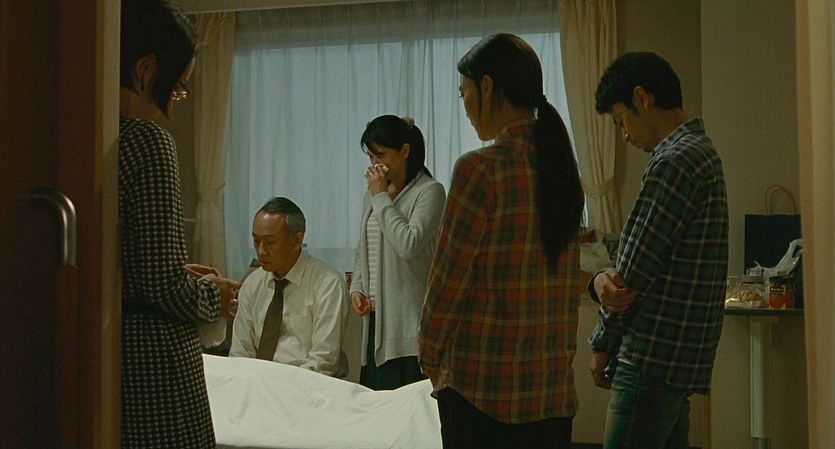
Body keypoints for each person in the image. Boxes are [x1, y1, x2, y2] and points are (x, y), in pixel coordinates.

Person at [419, 33, 585, 448]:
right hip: (551, 394)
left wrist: (429, 354)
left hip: (482, 392)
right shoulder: (563, 173)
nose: (465, 107)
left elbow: (448, 281)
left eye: (464, 93)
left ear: (488, 87)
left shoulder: (480, 169)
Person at [588, 51, 729, 449]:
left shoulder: (674, 160)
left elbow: (630, 275)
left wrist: (602, 344)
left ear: (642, 98)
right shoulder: (701, 152)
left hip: (651, 356)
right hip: (676, 360)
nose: (624, 134)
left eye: (621, 120)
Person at [119, 0, 239, 447]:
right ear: (146, 70)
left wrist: (173, 272)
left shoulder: (93, 139)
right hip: (154, 362)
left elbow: (129, 267)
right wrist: (213, 295)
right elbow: (161, 284)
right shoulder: (149, 143)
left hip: (117, 354)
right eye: (180, 86)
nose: (176, 98)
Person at [350, 115, 446, 390]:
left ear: (404, 151)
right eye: (370, 156)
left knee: (408, 406)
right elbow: (364, 248)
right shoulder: (373, 194)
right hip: (375, 322)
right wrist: (357, 288)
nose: (375, 164)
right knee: (375, 406)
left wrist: (381, 197)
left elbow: (408, 244)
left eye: (380, 155)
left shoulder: (430, 191)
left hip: (410, 328)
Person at [229, 197, 350, 378]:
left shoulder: (328, 284)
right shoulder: (253, 283)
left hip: (308, 385)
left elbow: (323, 362)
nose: (261, 251)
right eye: (256, 241)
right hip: (256, 383)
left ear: (297, 240)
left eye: (270, 242)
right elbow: (240, 353)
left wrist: (280, 387)